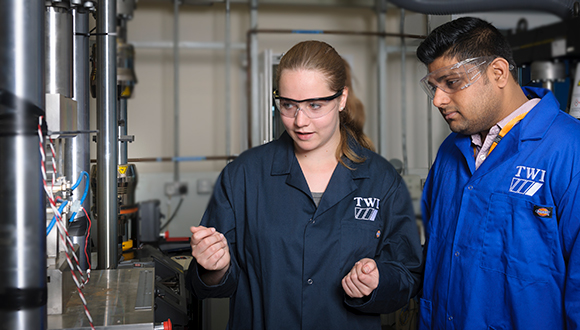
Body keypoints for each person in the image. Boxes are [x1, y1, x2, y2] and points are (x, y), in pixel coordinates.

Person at [186, 40, 423, 329]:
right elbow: (208, 285)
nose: (300, 121)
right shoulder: (243, 176)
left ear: (342, 98)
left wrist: (377, 281)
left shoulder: (381, 179)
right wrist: (215, 267)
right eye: (288, 105)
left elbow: (407, 275)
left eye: (314, 105)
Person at [417, 17, 580, 329]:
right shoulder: (451, 151)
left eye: (451, 82)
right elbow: (435, 257)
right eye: (433, 87)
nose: (438, 100)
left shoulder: (570, 150)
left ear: (498, 73)